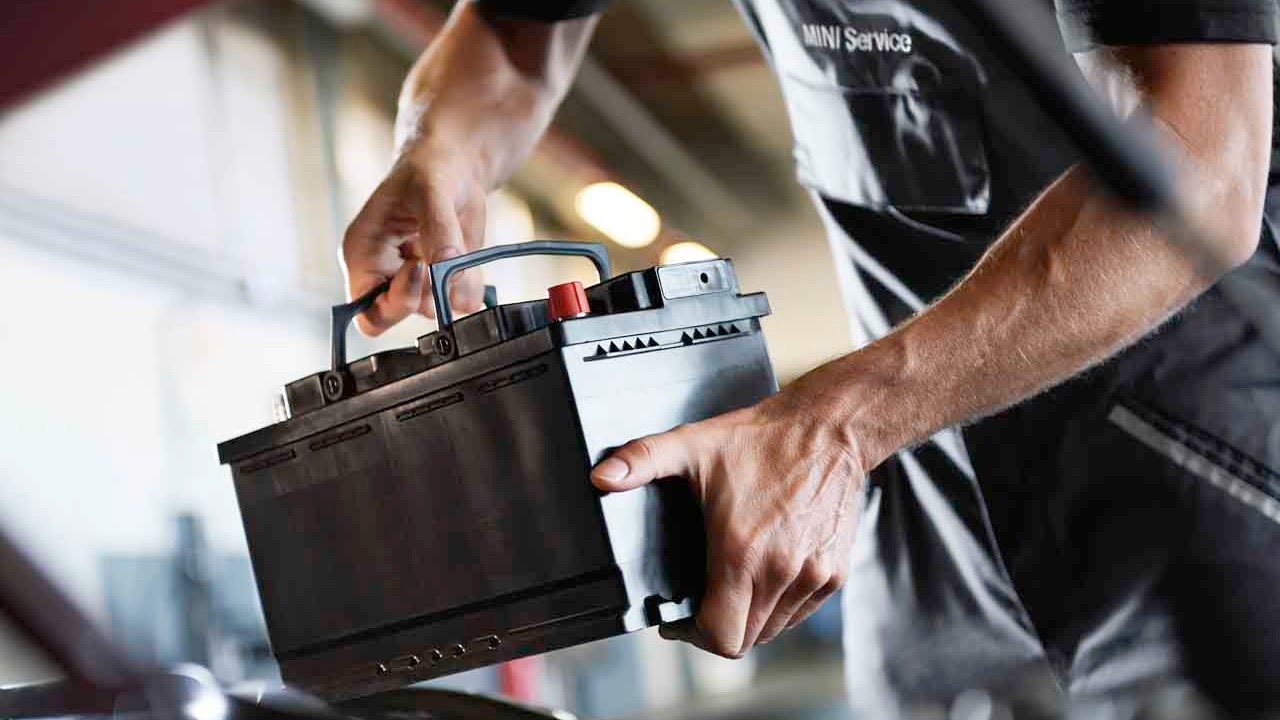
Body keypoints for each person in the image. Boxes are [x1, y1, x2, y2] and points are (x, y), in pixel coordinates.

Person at [340, 0, 1280, 713]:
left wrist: (835, 426)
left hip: (1192, 458)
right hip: (919, 490)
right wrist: (440, 153)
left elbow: (1200, 166)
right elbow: (512, 38)